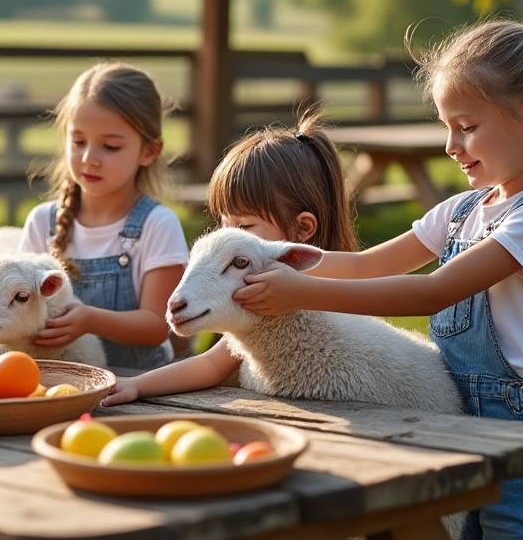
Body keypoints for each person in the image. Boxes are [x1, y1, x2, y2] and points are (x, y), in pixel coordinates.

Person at [234, 14, 523, 540]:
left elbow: (433, 291)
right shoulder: (463, 210)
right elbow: (366, 266)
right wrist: (272, 260)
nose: (451, 145)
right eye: (446, 127)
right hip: (454, 430)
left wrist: (301, 293)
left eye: (467, 126)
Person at [102, 111, 356, 406]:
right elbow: (210, 365)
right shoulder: (255, 311)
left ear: (301, 230)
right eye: (225, 224)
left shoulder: (322, 305)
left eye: (244, 226)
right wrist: (136, 385)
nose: (228, 236)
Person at [17, 62, 188, 370]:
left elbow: (157, 325)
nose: (89, 159)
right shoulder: (42, 222)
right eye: (78, 141)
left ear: (149, 152)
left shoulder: (158, 225)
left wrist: (90, 320)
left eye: (110, 146)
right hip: (57, 384)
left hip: (138, 389)